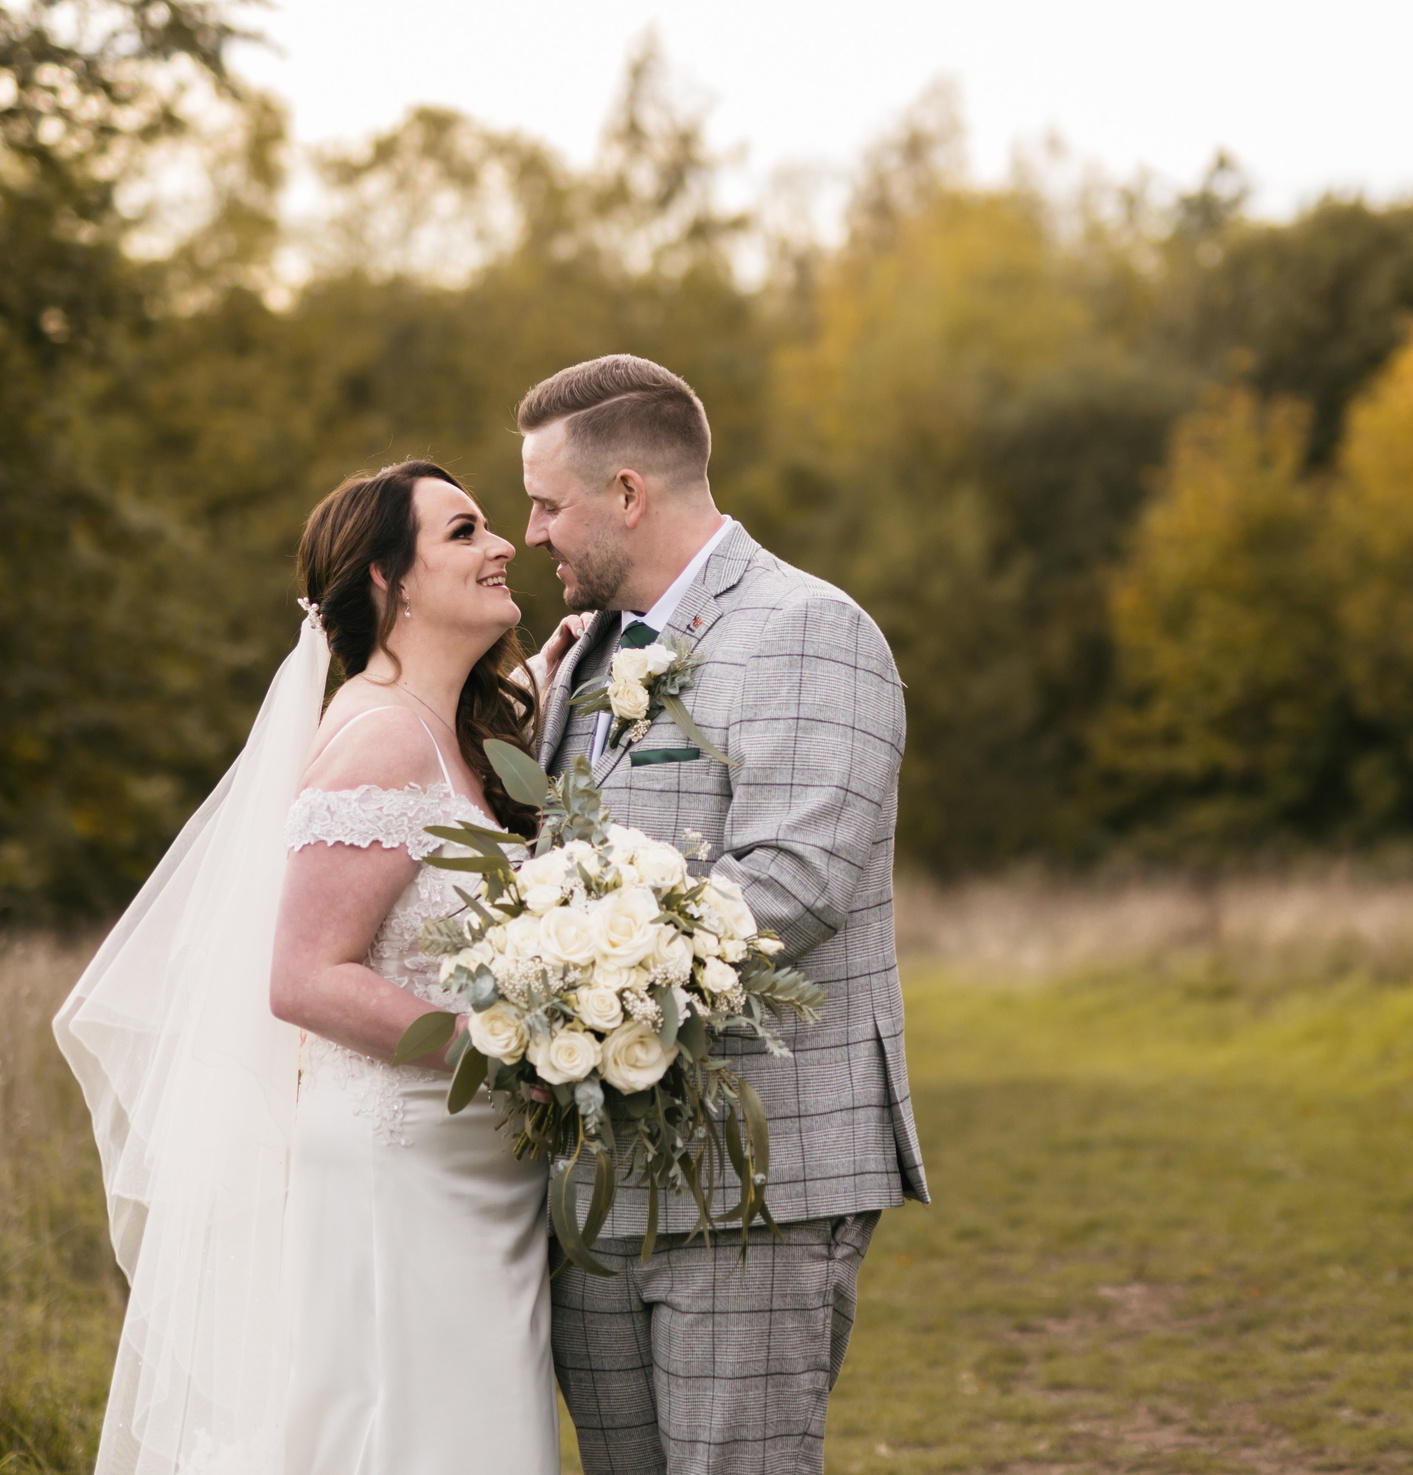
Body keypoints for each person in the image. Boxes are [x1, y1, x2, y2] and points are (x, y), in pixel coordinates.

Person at [54, 459, 559, 1475]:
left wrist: (556, 662)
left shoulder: (450, 728)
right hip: (401, 1176)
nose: (503, 544)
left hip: (473, 1178)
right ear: (390, 582)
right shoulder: (380, 737)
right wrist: (504, 1053)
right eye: (465, 532)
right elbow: (303, 978)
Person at [519, 355, 931, 1475]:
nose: (531, 535)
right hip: (596, 1181)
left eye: (548, 505)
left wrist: (550, 980)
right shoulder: (588, 653)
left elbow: (793, 884)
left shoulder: (811, 628)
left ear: (628, 496)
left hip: (759, 1170)